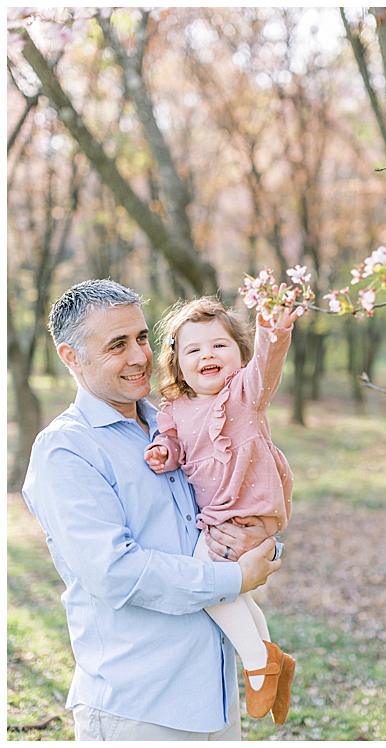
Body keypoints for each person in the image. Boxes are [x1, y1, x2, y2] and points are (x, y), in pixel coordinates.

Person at [22, 279, 280, 740]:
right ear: (71, 357)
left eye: (142, 337)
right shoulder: (66, 450)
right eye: (117, 345)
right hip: (139, 708)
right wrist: (234, 579)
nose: (139, 356)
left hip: (216, 697)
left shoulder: (174, 420)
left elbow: (233, 496)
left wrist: (260, 543)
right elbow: (116, 571)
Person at [143, 297, 298, 723]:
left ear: (240, 355)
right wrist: (163, 452)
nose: (207, 355)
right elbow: (174, 445)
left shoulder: (245, 394)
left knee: (208, 582)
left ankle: (255, 663)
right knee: (236, 590)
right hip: (219, 516)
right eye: (193, 350)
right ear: (177, 363)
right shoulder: (174, 408)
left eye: (219, 346)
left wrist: (274, 331)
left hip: (248, 508)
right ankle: (274, 662)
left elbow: (268, 366)